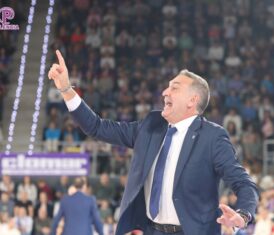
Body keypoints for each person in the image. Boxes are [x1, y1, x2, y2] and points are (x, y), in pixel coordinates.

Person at [48, 50, 259, 235]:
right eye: (167, 87)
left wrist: (242, 214)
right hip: (152, 230)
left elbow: (243, 183)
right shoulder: (151, 125)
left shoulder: (212, 137)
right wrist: (67, 89)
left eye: (174, 87)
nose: (165, 92)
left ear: (192, 101)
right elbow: (97, 127)